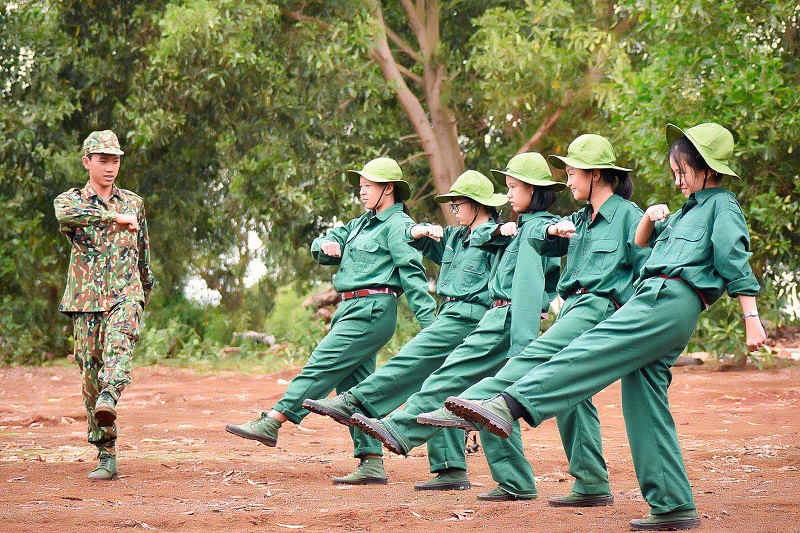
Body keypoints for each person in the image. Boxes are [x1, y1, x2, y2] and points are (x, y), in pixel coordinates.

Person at [443, 123, 767, 530]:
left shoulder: (723, 206)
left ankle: (510, 404)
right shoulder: (687, 211)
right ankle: (672, 504)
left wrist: (751, 319)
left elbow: (734, 261)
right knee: (642, 400)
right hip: (658, 297)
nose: (676, 179)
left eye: (682, 171)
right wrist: (650, 216)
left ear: (704, 167)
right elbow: (645, 241)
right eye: (675, 171)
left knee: (588, 348)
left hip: (669, 299)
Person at [421, 134, 649, 502]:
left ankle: (475, 404)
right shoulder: (578, 218)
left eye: (573, 172)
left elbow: (645, 266)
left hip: (601, 306)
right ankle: (591, 483)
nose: (569, 180)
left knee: (534, 359)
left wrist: (631, 316)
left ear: (596, 174)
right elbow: (542, 237)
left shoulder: (627, 214)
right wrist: (549, 229)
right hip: (573, 306)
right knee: (572, 395)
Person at [347, 153, 562, 492]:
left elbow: (538, 264)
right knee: (485, 400)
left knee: (449, 379)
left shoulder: (527, 227)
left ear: (533, 190)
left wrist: (526, 337)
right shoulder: (511, 229)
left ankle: (401, 429)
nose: (508, 195)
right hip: (498, 314)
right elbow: (469, 241)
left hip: (503, 317)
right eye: (505, 187)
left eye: (513, 187)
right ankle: (515, 482)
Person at [225, 157, 437, 485]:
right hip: (349, 309)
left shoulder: (397, 226)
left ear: (389, 189)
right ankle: (371, 462)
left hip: (374, 309)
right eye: (361, 186)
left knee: (321, 365)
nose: (362, 191)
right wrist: (326, 245)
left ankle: (273, 420)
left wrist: (433, 329)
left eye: (369, 186)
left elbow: (412, 274)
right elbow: (323, 243)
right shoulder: (359, 225)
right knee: (355, 386)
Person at [302, 170, 507, 490]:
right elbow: (427, 244)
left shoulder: (497, 235)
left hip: (472, 315)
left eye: (457, 204)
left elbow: (507, 243)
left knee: (410, 360)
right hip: (449, 311)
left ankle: (357, 402)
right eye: (451, 205)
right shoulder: (457, 236)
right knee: (440, 387)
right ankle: (451, 469)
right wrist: (418, 231)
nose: (453, 209)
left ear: (478, 205)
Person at [54, 130, 154, 481]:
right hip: (85, 301)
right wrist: (112, 218)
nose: (110, 167)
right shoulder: (71, 201)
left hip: (126, 293)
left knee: (119, 348)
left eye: (115, 161)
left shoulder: (135, 203)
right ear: (87, 162)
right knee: (89, 377)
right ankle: (106, 453)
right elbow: (67, 217)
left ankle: (111, 395)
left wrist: (144, 290)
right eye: (103, 160)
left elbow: (143, 251)